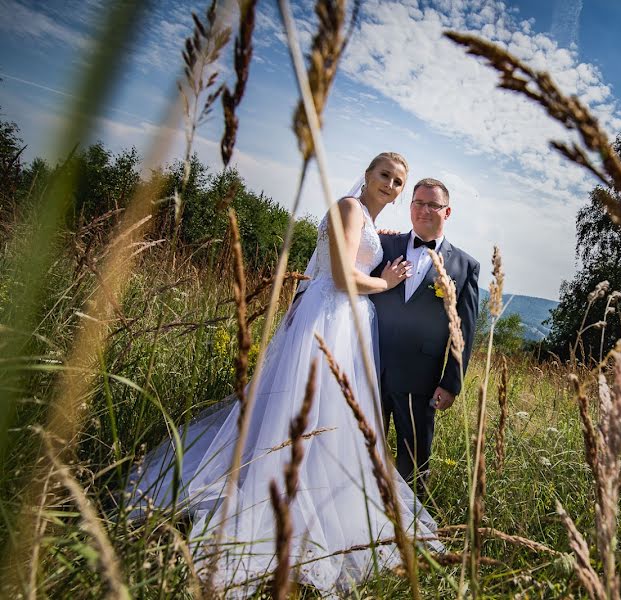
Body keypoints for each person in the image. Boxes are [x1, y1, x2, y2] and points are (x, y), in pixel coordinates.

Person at [125, 152, 442, 595]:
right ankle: (275, 504)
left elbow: (350, 250)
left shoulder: (363, 217)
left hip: (343, 323)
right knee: (306, 410)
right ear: (367, 176)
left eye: (397, 180)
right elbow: (339, 274)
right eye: (384, 175)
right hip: (330, 319)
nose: (391, 184)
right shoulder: (350, 208)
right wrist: (386, 283)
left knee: (330, 419)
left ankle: (313, 500)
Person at [371, 178, 480, 496]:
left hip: (420, 380)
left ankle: (406, 532)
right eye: (418, 202)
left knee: (414, 464)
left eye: (433, 204)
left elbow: (465, 329)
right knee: (360, 449)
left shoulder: (464, 266)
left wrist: (451, 383)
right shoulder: (384, 245)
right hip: (369, 367)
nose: (424, 210)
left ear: (447, 212)